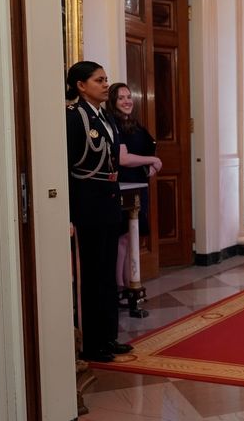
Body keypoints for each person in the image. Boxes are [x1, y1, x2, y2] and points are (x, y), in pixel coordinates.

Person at [65, 61, 133, 362]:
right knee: (92, 277)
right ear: (81, 85)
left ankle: (108, 337)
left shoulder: (105, 116)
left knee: (106, 274)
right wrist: (66, 213)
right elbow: (67, 167)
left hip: (108, 200)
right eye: (98, 80)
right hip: (88, 203)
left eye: (106, 79)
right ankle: (93, 344)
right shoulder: (75, 117)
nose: (106, 85)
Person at [106, 83, 163, 289]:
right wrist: (152, 160)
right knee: (122, 238)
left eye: (129, 96)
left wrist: (152, 166)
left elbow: (146, 151)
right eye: (121, 98)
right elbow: (122, 158)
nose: (127, 101)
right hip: (123, 187)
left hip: (138, 185)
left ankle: (129, 283)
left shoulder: (134, 124)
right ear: (112, 101)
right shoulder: (113, 124)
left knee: (130, 237)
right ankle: (121, 286)